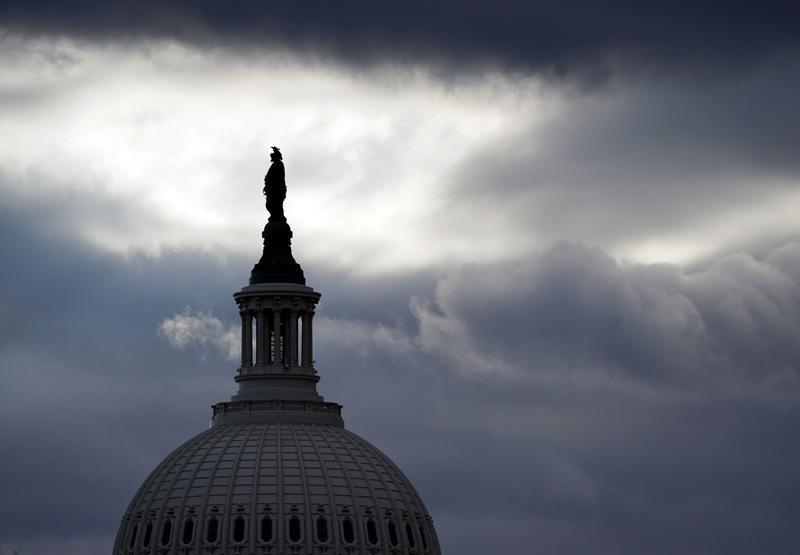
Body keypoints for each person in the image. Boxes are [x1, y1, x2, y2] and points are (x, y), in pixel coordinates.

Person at [263, 146, 286, 222]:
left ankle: (278, 217)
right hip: (272, 189)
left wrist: (269, 183)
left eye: (272, 156)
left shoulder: (278, 164)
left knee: (275, 205)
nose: (271, 158)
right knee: (270, 205)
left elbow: (277, 178)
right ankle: (275, 217)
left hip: (276, 190)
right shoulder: (275, 164)